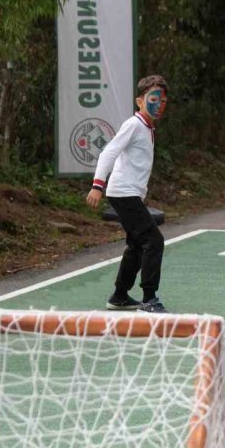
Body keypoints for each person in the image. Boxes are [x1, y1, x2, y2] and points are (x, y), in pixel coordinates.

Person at [86, 75, 170, 314]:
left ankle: (120, 295)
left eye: (163, 101)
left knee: (136, 244)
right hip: (123, 194)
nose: (159, 104)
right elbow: (108, 153)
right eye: (154, 99)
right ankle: (149, 299)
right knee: (154, 241)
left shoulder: (147, 128)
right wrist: (97, 185)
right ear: (139, 101)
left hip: (130, 194)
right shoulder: (134, 125)